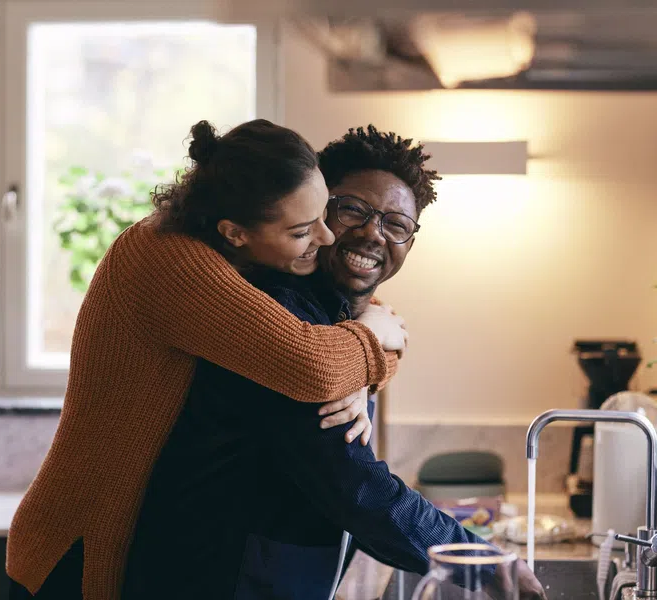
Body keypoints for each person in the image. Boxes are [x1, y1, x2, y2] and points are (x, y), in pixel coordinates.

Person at [121, 126, 546, 599]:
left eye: (397, 224)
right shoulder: (275, 313)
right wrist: (481, 559)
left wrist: (371, 342)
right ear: (319, 205)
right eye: (352, 210)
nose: (373, 234)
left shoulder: (337, 316)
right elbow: (353, 484)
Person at [6, 120, 408, 600]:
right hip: (77, 544)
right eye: (303, 229)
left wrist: (366, 362)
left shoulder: (239, 253)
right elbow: (311, 363)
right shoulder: (169, 260)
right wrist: (370, 345)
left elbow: (319, 343)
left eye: (324, 215)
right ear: (235, 232)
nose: (324, 238)